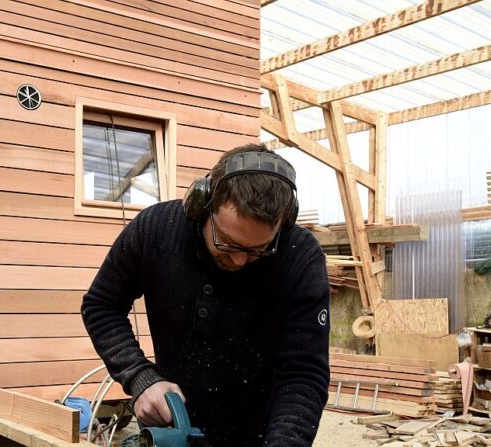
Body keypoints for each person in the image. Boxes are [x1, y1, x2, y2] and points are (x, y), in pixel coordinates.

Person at [82, 143, 330, 446]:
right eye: (227, 242)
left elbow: (303, 373)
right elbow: (101, 305)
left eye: (258, 249)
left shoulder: (300, 256)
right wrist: (140, 378)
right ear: (202, 204)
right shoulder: (155, 230)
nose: (239, 260)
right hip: (172, 428)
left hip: (261, 435)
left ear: (284, 222)